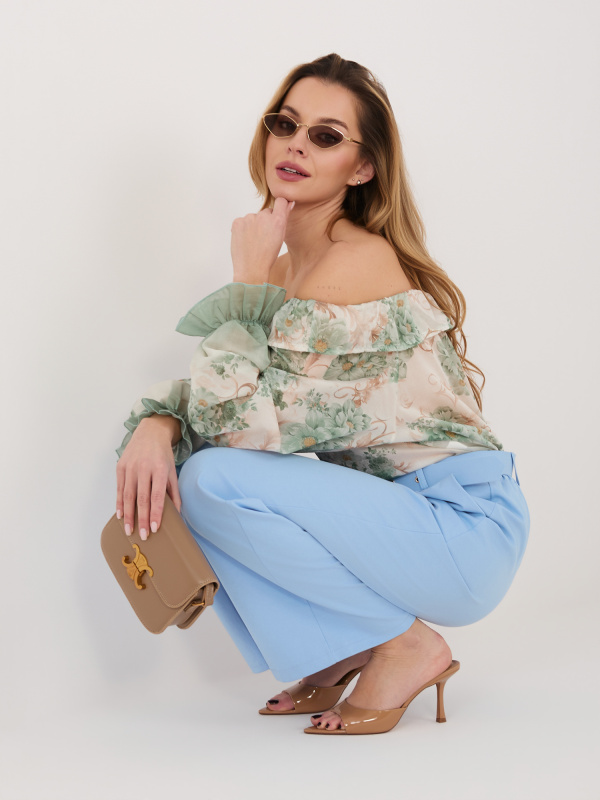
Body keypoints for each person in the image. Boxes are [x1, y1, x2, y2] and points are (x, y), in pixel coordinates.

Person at [115, 53, 530, 736]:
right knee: (200, 475)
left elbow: (236, 423)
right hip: (405, 521)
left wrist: (247, 282)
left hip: (461, 529)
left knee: (213, 477)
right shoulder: (288, 268)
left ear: (362, 168)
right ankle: (349, 643)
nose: (297, 145)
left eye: (327, 135)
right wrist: (155, 423)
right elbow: (243, 402)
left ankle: (404, 645)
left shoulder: (353, 263)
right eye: (285, 124)